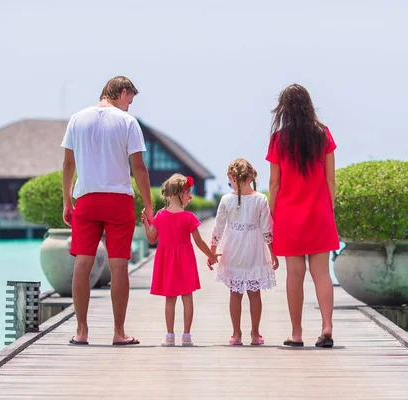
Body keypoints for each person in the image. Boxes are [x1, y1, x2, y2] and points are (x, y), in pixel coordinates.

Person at [61, 76, 153, 346]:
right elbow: (139, 168)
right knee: (119, 265)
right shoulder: (127, 123)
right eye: (129, 101)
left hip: (87, 199)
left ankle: (81, 331)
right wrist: (148, 205)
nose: (129, 107)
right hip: (118, 200)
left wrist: (67, 200)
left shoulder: (77, 119)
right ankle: (119, 332)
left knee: (82, 262)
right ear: (122, 92)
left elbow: (68, 164)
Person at [265, 83, 340, 348]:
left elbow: (274, 183)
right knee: (322, 273)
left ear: (284, 109)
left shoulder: (279, 139)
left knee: (294, 274)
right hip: (319, 214)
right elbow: (331, 179)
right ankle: (327, 326)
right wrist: (327, 210)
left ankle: (296, 334)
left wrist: (271, 215)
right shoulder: (323, 134)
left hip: (288, 215)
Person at [141, 173, 220, 347]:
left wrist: (147, 224)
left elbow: (151, 239)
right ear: (181, 194)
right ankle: (186, 335)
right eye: (188, 193)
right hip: (185, 261)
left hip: (167, 262)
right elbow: (199, 241)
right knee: (187, 297)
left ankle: (169, 336)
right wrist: (211, 255)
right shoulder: (189, 217)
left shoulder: (161, 216)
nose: (190, 197)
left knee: (170, 299)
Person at [208, 158, 278, 346]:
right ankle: (255, 334)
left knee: (235, 293)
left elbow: (218, 227)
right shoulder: (260, 199)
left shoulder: (226, 200)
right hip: (254, 250)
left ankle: (236, 334)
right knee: (255, 293)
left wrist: (212, 251)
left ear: (232, 176)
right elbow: (266, 229)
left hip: (234, 250)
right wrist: (273, 252)